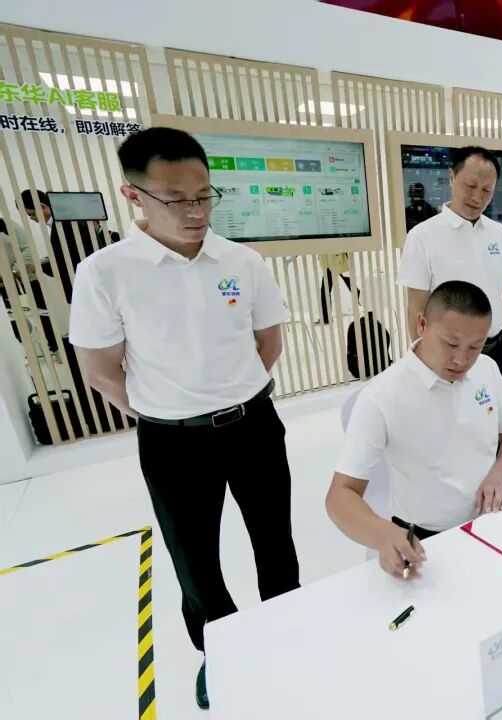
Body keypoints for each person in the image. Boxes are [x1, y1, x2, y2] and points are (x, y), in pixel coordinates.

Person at [67, 127, 300, 711]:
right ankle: (217, 650)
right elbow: (99, 369)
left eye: (204, 196)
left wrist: (232, 392)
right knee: (194, 559)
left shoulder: (242, 261)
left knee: (275, 540)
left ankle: (290, 628)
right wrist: (164, 409)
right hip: (172, 443)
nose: (196, 212)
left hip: (254, 425)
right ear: (134, 196)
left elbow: (268, 342)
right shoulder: (105, 272)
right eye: (176, 199)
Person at [326, 280, 502, 578]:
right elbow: (340, 495)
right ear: (422, 324)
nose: (461, 360)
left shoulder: (485, 368)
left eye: (475, 346)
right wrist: (382, 534)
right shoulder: (382, 396)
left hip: (489, 522)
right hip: (424, 541)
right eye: (450, 344)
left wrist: (501, 473)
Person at [399, 146, 502, 390]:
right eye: (470, 186)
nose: (477, 197)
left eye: (487, 190)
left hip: (495, 349)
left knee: (493, 411)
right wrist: (424, 364)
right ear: (452, 176)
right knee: (450, 412)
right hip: (447, 353)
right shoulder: (422, 236)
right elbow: (416, 307)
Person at [20, 189, 104, 304]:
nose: (32, 219)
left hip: (84, 286)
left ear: (42, 206)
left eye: (32, 214)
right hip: (92, 281)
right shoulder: (71, 218)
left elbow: (64, 261)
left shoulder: (63, 225)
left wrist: (38, 267)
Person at [1, 216, 57, 351]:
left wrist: (14, 271)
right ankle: (26, 351)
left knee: (42, 316)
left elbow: (28, 248)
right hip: (3, 284)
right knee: (13, 321)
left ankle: (55, 349)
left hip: (25, 279)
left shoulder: (5, 224)